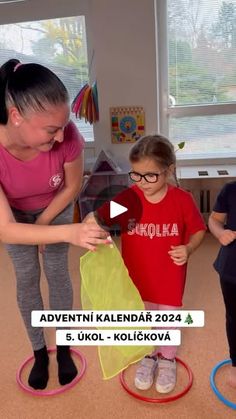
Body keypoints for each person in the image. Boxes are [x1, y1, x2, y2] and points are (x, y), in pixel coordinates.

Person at [0, 58, 110, 390]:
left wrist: (49, 222)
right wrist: (65, 232)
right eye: (51, 129)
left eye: (63, 126)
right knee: (27, 278)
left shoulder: (68, 136)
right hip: (15, 218)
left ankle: (62, 348)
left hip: (56, 205)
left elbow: (73, 186)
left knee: (58, 272)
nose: (61, 135)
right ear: (16, 116)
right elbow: (4, 227)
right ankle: (39, 353)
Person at [86, 135, 206, 393]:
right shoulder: (129, 199)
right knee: (143, 318)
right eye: (136, 175)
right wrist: (90, 224)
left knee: (167, 320)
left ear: (168, 170)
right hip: (137, 278)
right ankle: (148, 355)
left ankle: (167, 358)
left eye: (150, 175)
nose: (142, 182)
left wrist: (189, 248)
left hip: (169, 278)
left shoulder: (182, 200)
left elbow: (198, 230)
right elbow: (100, 217)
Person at [208, 182, 236, 388]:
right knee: (234, 318)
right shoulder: (230, 190)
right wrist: (220, 233)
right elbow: (215, 220)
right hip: (231, 269)